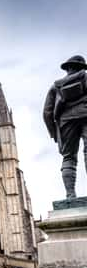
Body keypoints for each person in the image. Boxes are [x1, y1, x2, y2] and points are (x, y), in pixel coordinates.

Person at [43, 55, 87, 199]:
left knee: (68, 158)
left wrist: (54, 133)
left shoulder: (56, 86)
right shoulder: (85, 78)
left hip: (65, 122)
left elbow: (46, 112)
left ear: (68, 68)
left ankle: (70, 195)